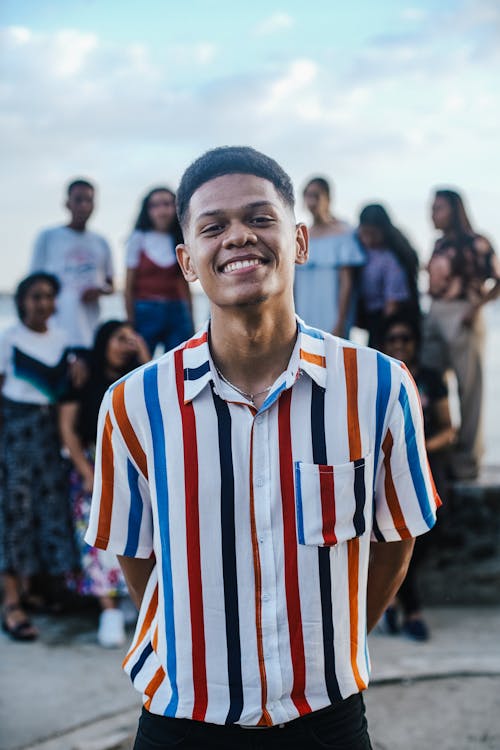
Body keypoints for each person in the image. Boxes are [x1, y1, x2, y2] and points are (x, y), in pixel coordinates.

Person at [85, 146, 440, 749]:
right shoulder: (133, 405)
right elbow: (137, 556)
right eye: (213, 227)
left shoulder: (379, 386)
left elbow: (395, 539)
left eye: (260, 218)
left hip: (326, 717)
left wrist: (331, 647)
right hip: (183, 716)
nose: (238, 238)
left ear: (299, 241)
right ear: (187, 261)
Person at [59, 320, 150, 647]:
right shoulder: (84, 376)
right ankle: (108, 610)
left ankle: (129, 600)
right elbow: (67, 428)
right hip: (92, 462)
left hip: (130, 464)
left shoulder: (138, 379)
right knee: (96, 538)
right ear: (103, 341)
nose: (126, 344)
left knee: (135, 531)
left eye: (131, 338)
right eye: (120, 338)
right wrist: (85, 471)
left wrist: (143, 353)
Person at [0, 273, 78, 641]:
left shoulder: (63, 341)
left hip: (50, 437)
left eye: (48, 296)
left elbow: (67, 389)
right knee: (14, 517)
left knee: (49, 512)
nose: (42, 303)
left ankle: (38, 591)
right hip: (15, 436)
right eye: (35, 296)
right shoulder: (9, 338)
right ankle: (12, 602)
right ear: (22, 301)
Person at [380, 312, 455, 641]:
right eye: (393, 339)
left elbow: (449, 429)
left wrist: (418, 446)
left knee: (430, 523)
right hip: (385, 461)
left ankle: (395, 600)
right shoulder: (378, 376)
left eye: (405, 339)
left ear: (415, 343)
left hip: (427, 459)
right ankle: (412, 609)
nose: (399, 344)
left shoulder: (431, 377)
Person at [421, 188, 500, 480]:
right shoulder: (439, 244)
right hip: (436, 313)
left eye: (438, 208)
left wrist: (476, 307)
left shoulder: (476, 243)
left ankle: (468, 462)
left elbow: (498, 280)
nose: (432, 213)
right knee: (431, 381)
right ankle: (442, 448)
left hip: (464, 315)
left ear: (454, 210)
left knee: (470, 390)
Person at [30, 179, 114, 349]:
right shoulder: (48, 236)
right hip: (54, 331)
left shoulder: (101, 242)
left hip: (90, 333)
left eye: (88, 200)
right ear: (67, 203)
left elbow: (110, 285)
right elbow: (33, 283)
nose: (83, 205)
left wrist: (99, 291)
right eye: (78, 200)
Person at [124, 186, 194, 356]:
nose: (162, 210)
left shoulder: (181, 238)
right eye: (155, 205)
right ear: (147, 210)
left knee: (181, 363)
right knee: (140, 366)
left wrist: (191, 319)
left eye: (167, 204)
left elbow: (185, 284)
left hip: (177, 311)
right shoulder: (137, 238)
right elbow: (128, 287)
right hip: (145, 312)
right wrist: (130, 324)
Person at [294, 177, 365, 338]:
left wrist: (340, 321)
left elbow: (347, 283)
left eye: (316, 195)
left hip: (332, 316)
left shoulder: (343, 233)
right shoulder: (302, 236)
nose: (311, 201)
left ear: (328, 198)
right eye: (308, 196)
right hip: (304, 313)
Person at [357, 204, 420, 350]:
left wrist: (381, 334)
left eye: (373, 234)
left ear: (383, 231)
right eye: (365, 234)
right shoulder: (360, 248)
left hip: (386, 319)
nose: (369, 240)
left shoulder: (391, 259)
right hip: (366, 315)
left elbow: (392, 305)